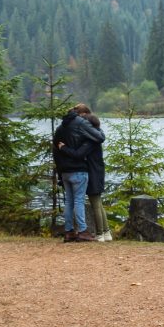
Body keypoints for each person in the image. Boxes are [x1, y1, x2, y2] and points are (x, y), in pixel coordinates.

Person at [52, 104, 105, 242]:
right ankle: (82, 231)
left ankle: (69, 231)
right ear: (81, 114)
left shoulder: (60, 128)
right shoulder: (80, 123)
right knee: (79, 201)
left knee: (69, 201)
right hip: (79, 170)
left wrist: (60, 171)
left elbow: (56, 150)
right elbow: (100, 137)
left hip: (65, 172)